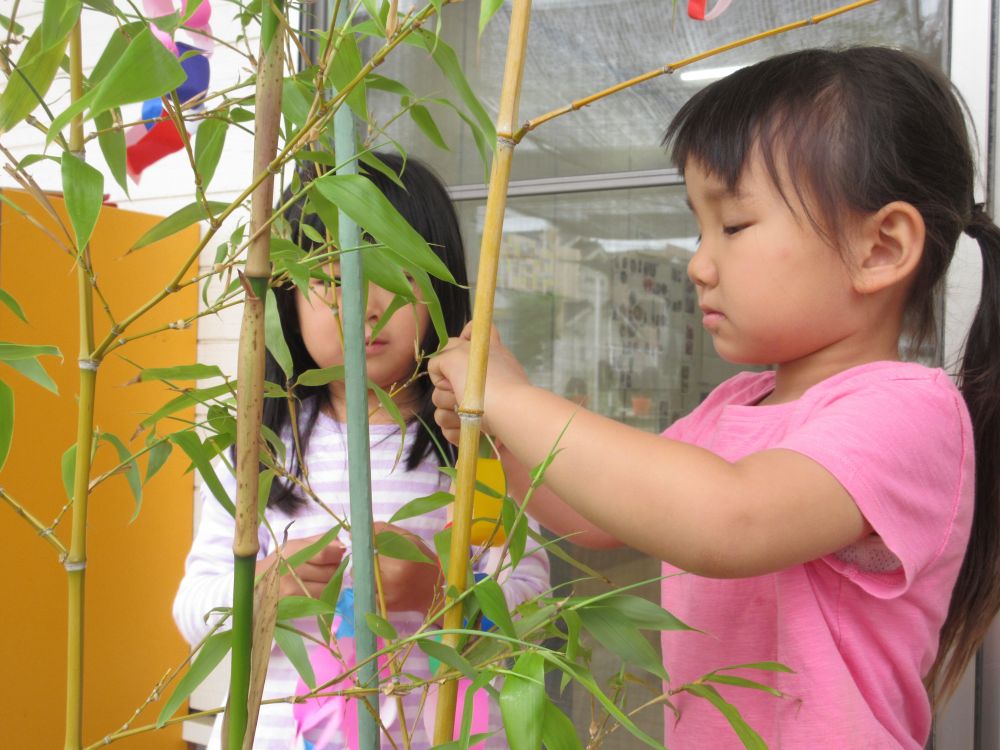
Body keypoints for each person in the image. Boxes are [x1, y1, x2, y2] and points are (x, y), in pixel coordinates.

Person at [429, 47, 1000, 749]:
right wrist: (498, 439)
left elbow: (729, 520)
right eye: (700, 229)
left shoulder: (908, 410)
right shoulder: (734, 405)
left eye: (733, 226)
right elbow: (598, 518)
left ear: (880, 248)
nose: (698, 263)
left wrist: (515, 399)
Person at [173, 152, 550, 750]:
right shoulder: (262, 451)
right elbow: (194, 612)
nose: (366, 305)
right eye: (332, 274)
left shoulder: (473, 443)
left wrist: (441, 594)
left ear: (439, 283)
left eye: (395, 271)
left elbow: (531, 608)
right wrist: (265, 587)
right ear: (289, 295)